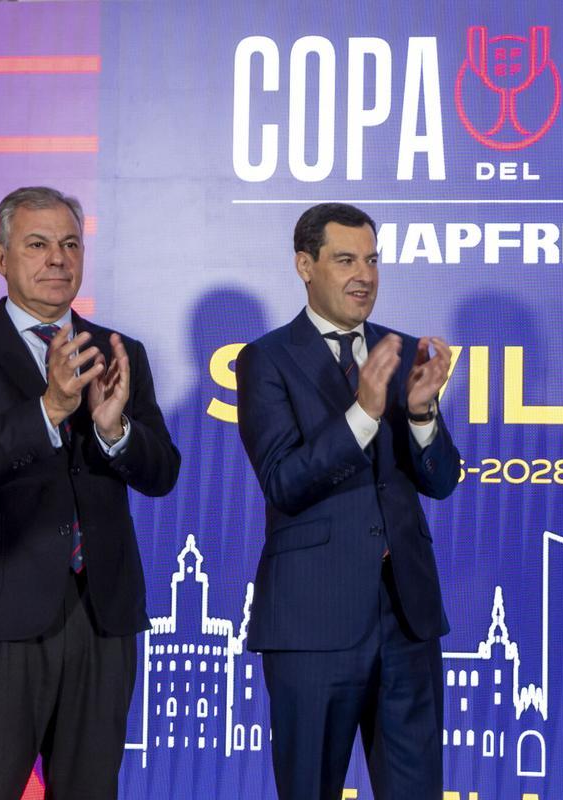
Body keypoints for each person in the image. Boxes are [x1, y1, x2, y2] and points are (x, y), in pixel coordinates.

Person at [0, 186, 180, 798]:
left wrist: (116, 431)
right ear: (0, 257)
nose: (57, 259)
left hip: (103, 615)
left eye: (69, 244)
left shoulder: (119, 352)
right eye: (37, 244)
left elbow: (162, 472)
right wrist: (48, 409)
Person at [236, 203, 460, 800]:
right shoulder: (267, 360)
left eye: (371, 259)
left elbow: (441, 480)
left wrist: (420, 413)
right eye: (345, 260)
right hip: (313, 621)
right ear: (305, 265)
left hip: (406, 619)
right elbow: (284, 480)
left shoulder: (406, 350)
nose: (364, 274)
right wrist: (362, 412)